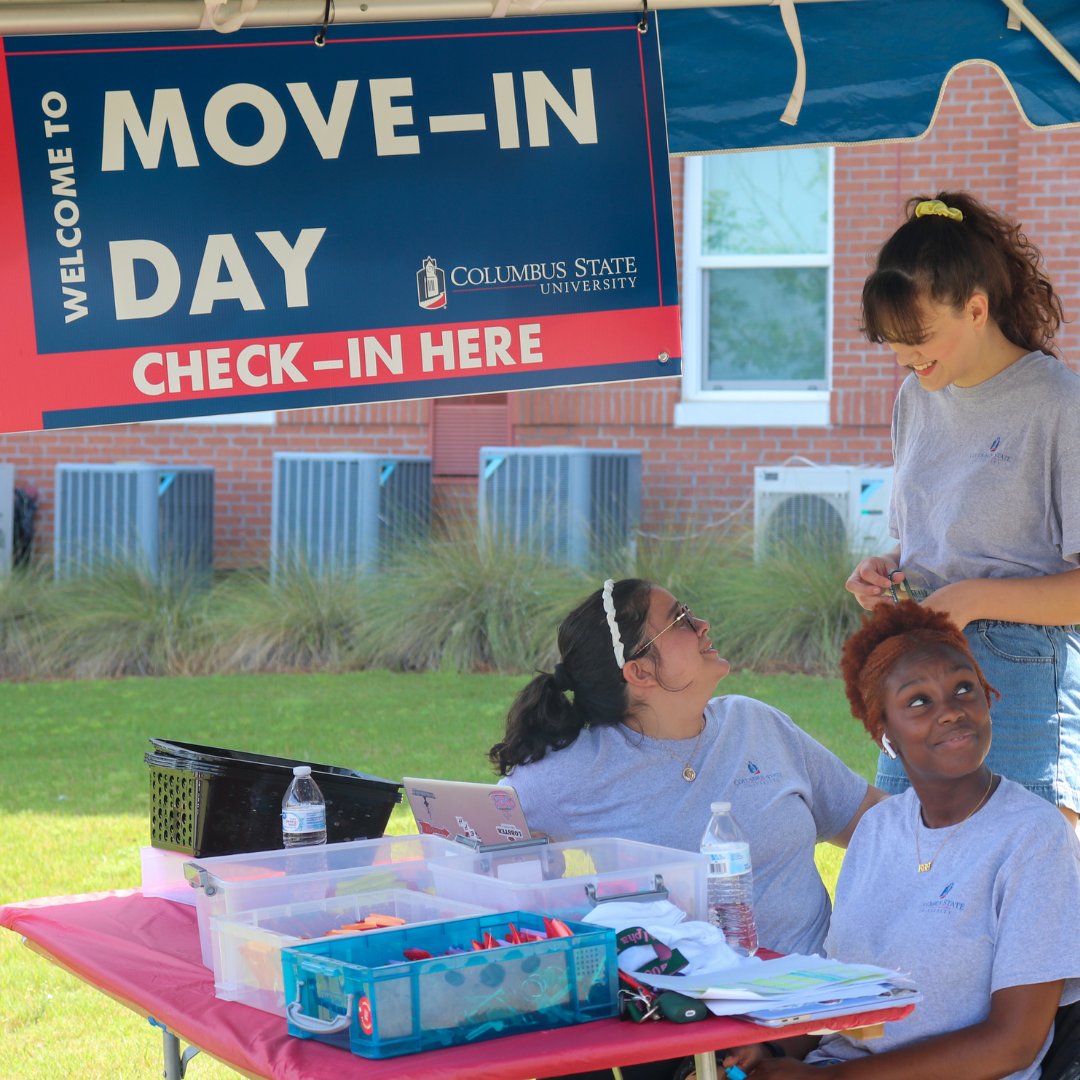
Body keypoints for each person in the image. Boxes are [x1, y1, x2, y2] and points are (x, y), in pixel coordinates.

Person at [714, 601, 1080, 1080]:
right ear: (883, 732)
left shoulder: (1033, 835)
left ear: (989, 698)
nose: (950, 712)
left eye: (964, 689)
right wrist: (780, 1052)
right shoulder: (877, 829)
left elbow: (1013, 1043)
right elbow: (851, 995)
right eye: (919, 701)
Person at [489, 577, 884, 958]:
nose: (702, 624)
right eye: (681, 620)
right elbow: (472, 838)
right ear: (639, 672)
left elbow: (873, 820)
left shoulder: (754, 722)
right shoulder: (572, 770)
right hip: (680, 1010)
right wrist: (521, 864)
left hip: (817, 997)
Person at [844, 190, 1080, 827]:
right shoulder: (916, 397)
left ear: (976, 308)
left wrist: (972, 599)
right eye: (891, 342)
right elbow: (931, 536)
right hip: (918, 663)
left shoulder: (1059, 403)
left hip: (1023, 680)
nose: (905, 358)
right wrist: (887, 568)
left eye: (917, 338)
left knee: (1023, 877)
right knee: (912, 861)